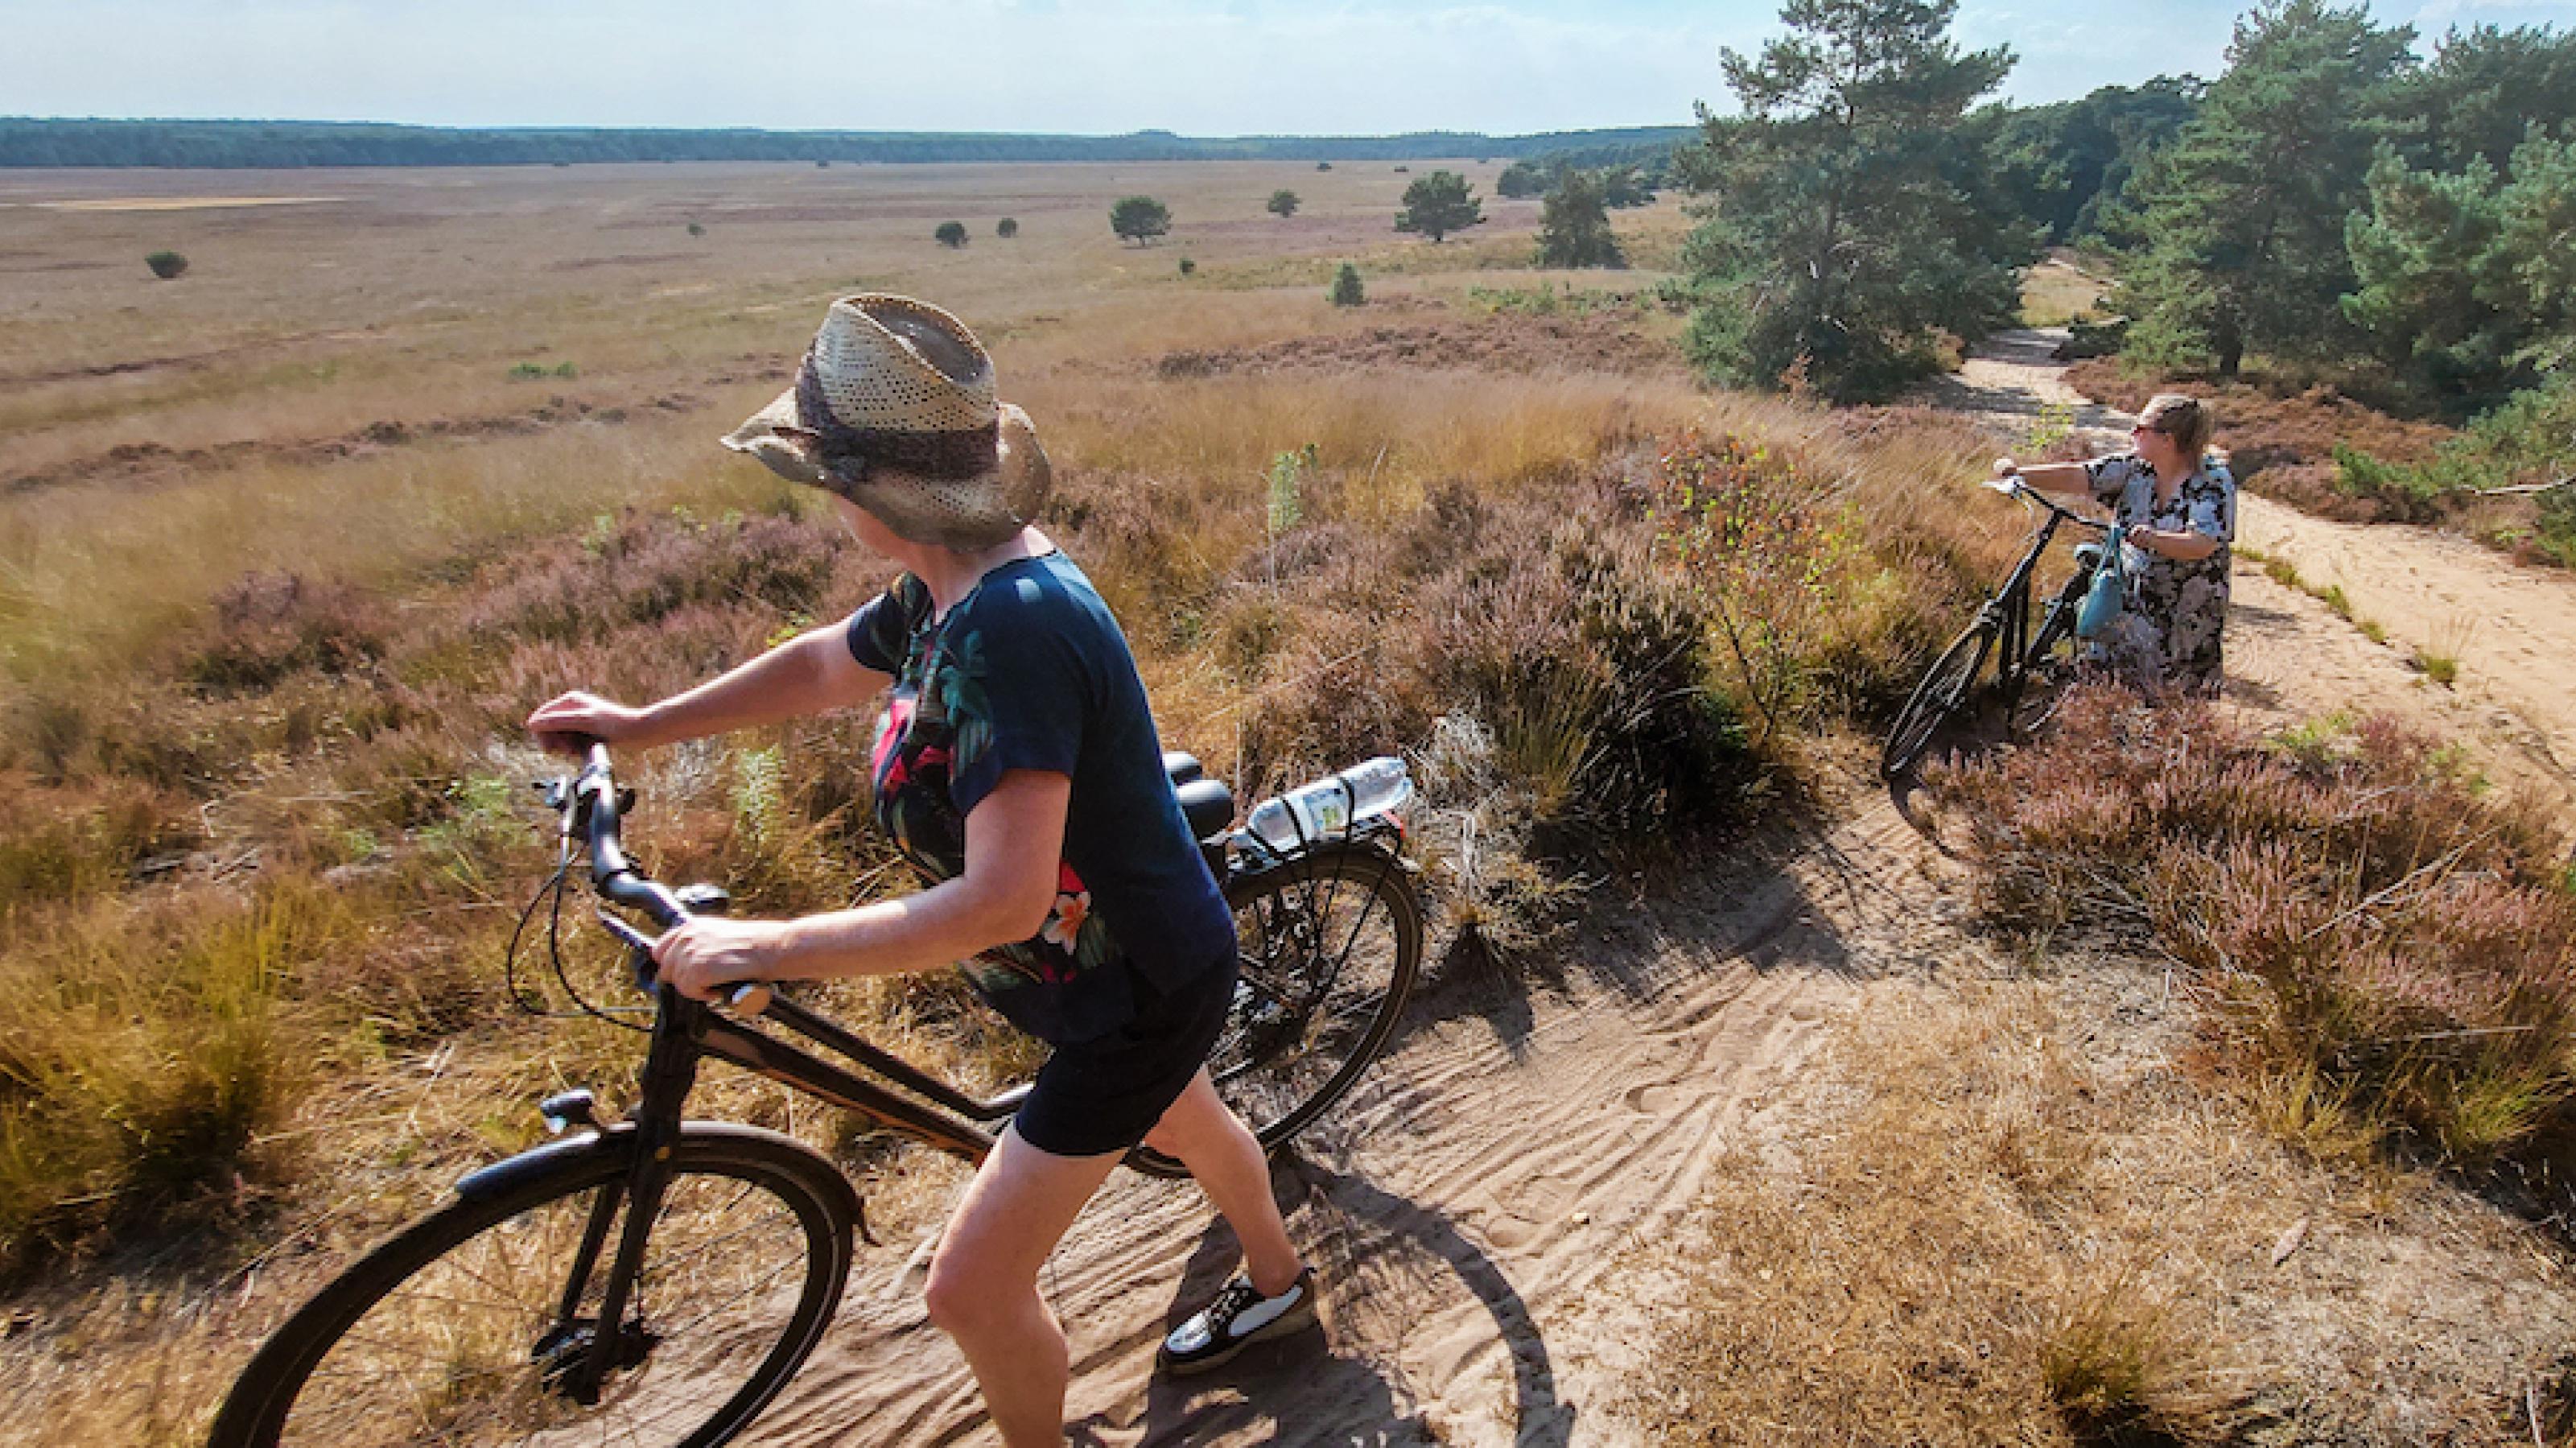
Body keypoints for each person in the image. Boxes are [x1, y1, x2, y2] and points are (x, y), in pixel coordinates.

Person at [526, 295, 1315, 1444]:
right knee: (1185, 1118)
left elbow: (1006, 897)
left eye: (822, 475)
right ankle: (1281, 1282)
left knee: (971, 1289)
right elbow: (817, 667)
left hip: (1132, 986)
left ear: (866, 489)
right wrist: (640, 720)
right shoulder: (950, 583)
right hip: (1108, 965)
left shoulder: (1013, 630)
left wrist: (768, 943)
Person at [1991, 393, 2236, 695]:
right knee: (2111, 678)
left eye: (2142, 427)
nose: (2133, 433)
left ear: (2167, 440)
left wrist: (2153, 539)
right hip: (2133, 595)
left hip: (2187, 613)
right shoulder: (2136, 468)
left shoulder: (2212, 481)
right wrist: (2019, 475)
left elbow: (2202, 543)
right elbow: (2081, 476)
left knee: (2173, 696)